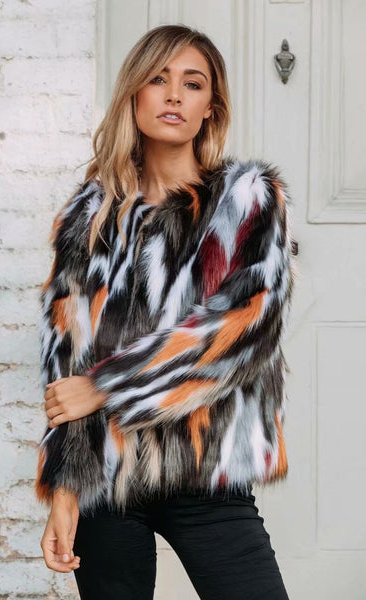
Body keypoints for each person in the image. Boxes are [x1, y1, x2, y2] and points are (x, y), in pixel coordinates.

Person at [34, 24, 297, 599]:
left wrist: (105, 387)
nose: (174, 95)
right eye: (158, 79)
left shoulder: (246, 200)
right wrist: (64, 491)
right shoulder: (90, 217)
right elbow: (66, 365)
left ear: (210, 108)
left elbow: (242, 330)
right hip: (107, 482)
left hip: (206, 476)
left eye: (193, 84)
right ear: (134, 94)